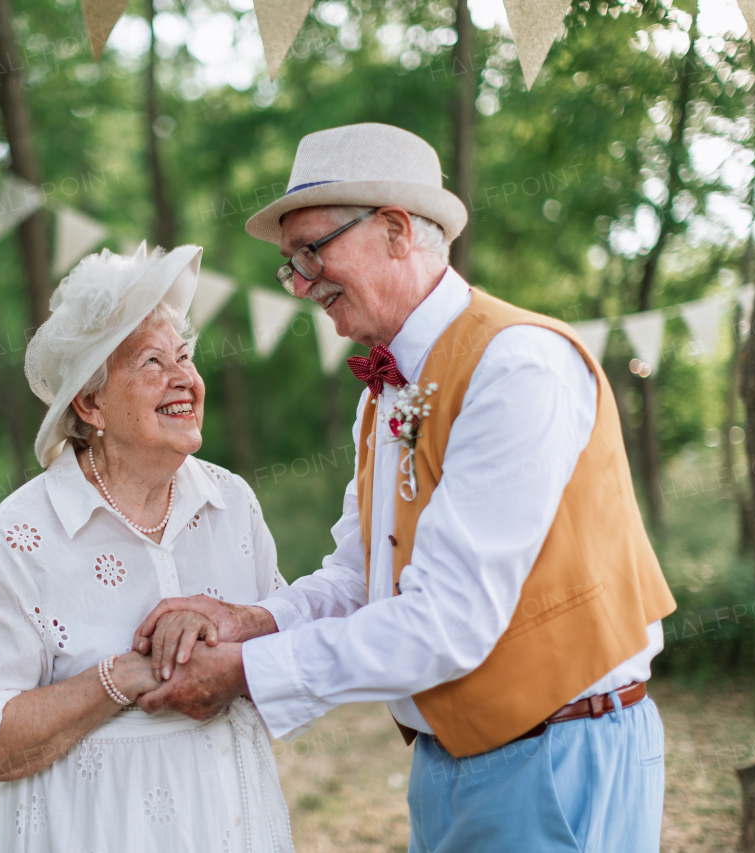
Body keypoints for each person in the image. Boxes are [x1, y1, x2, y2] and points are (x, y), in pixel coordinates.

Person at [134, 123, 678, 852]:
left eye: (311, 251)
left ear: (395, 230)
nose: (300, 282)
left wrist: (244, 672)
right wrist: (249, 621)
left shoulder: (518, 366)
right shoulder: (383, 393)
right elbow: (362, 577)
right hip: (446, 761)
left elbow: (450, 619)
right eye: (290, 263)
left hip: (559, 752)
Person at [0, 243, 294, 852]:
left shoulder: (231, 501)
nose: (184, 377)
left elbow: (293, 650)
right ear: (90, 403)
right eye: (152, 363)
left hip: (234, 821)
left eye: (185, 356)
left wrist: (227, 635)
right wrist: (121, 676)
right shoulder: (20, 535)